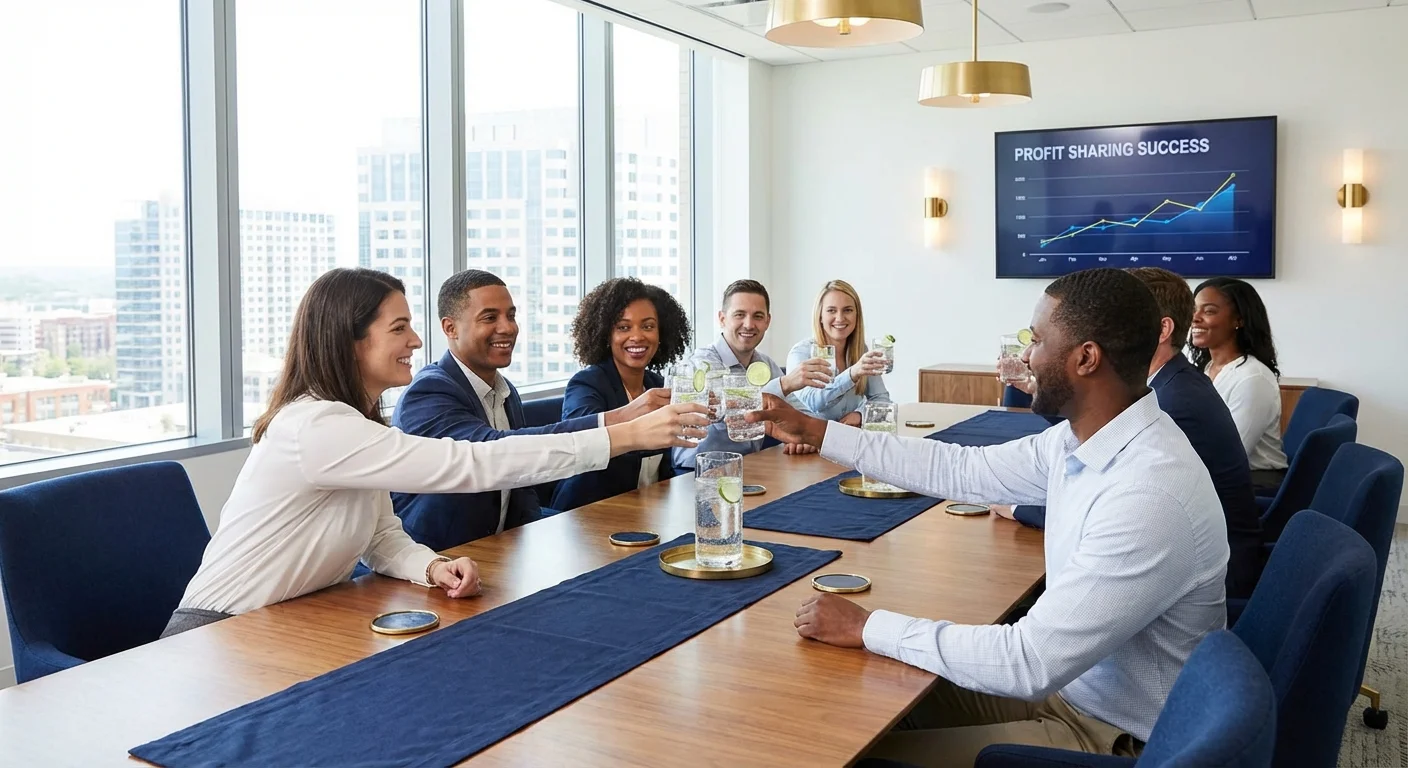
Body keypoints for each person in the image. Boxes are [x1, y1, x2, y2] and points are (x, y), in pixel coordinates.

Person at [749, 268, 1227, 766]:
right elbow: (962, 466)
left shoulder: (1148, 493)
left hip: (1108, 736)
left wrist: (869, 626)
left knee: (861, 746)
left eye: (1037, 340)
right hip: (1074, 690)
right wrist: (817, 431)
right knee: (863, 698)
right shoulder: (1085, 437)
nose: (1024, 355)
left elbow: (1027, 660)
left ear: (1086, 358)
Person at [162, 268, 706, 637]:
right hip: (220, 631)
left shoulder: (352, 424)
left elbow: (379, 536)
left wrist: (431, 567)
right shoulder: (317, 426)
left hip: (292, 623)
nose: (417, 342)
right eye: (399, 328)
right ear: (351, 342)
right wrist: (625, 435)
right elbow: (469, 461)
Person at [1003, 268, 1264, 599]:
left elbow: (1122, 494)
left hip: (1219, 578)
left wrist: (1017, 508)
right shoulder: (1171, 383)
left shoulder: (1175, 401)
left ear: (1160, 329)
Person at [391, 270, 672, 551]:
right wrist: (624, 423)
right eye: (490, 318)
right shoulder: (428, 392)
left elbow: (521, 486)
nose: (508, 328)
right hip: (437, 556)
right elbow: (495, 453)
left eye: (511, 316)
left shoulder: (505, 390)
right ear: (450, 328)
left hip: (501, 548)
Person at [551, 278, 694, 511]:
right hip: (588, 514)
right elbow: (581, 437)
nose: (637, 336)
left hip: (649, 512)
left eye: (648, 326)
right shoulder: (586, 383)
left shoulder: (657, 384)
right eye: (623, 327)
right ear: (606, 334)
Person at [673, 279, 834, 467]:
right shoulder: (701, 364)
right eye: (739, 315)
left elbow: (804, 414)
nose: (749, 324)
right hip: (693, 473)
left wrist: (807, 435)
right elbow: (733, 408)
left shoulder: (765, 364)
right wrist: (784, 384)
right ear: (722, 319)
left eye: (757, 316)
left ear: (767, 321)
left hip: (749, 468)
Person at [1189, 277, 1287, 494]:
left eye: (1209, 311)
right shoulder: (1205, 370)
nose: (1195, 318)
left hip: (1253, 484)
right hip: (1217, 474)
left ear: (1239, 320)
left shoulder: (1252, 378)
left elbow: (1231, 454)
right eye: (1194, 310)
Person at [785, 279, 889, 428]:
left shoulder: (861, 351)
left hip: (849, 440)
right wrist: (851, 374)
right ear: (820, 316)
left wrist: (860, 415)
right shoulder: (801, 353)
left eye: (847, 310)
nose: (840, 318)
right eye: (831, 310)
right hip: (809, 443)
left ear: (857, 315)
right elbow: (812, 403)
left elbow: (882, 400)